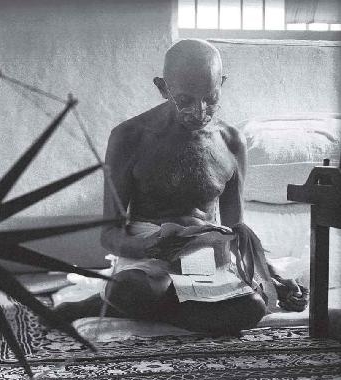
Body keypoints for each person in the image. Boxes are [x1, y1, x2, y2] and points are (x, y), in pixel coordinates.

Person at [55, 39, 308, 335]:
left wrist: (273, 276)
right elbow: (109, 234)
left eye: (211, 98)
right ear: (163, 88)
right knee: (129, 288)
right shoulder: (129, 137)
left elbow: (236, 229)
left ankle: (122, 306)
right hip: (149, 256)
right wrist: (150, 246)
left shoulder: (232, 142)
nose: (200, 111)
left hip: (208, 257)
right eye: (185, 100)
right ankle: (160, 303)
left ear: (222, 84)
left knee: (253, 307)